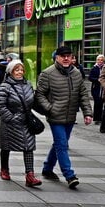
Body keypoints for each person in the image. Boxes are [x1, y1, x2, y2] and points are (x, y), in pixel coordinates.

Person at [35, 45, 93, 189]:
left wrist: (87, 113)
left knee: (59, 144)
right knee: (62, 145)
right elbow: (39, 94)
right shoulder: (47, 73)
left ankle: (47, 168)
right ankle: (69, 175)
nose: (66, 58)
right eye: (63, 56)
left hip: (70, 115)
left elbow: (83, 94)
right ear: (57, 58)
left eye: (69, 56)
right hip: (55, 116)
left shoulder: (77, 73)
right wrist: (49, 108)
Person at [0, 60, 43, 187]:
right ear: (11, 72)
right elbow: (0, 105)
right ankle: (4, 169)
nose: (20, 72)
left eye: (21, 70)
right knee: (6, 146)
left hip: (26, 121)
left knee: (29, 147)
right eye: (17, 70)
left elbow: (33, 102)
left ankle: (30, 175)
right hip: (9, 123)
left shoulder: (28, 84)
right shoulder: (4, 86)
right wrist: (10, 118)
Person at [88, 54, 105, 123]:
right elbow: (90, 77)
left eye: (101, 60)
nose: (100, 61)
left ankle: (101, 117)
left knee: (101, 103)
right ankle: (96, 118)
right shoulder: (94, 68)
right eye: (98, 60)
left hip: (103, 89)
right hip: (96, 88)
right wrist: (97, 80)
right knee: (97, 102)